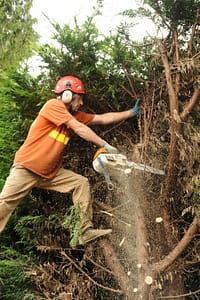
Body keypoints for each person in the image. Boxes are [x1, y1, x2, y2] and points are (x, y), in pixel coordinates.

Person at [0, 75, 142, 246]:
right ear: (67, 95)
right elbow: (78, 128)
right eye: (79, 98)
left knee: (80, 183)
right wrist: (104, 144)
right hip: (27, 168)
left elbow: (103, 119)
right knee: (5, 203)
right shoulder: (53, 106)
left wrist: (130, 113)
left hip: (49, 174)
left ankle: (83, 231)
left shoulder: (74, 115)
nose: (81, 103)